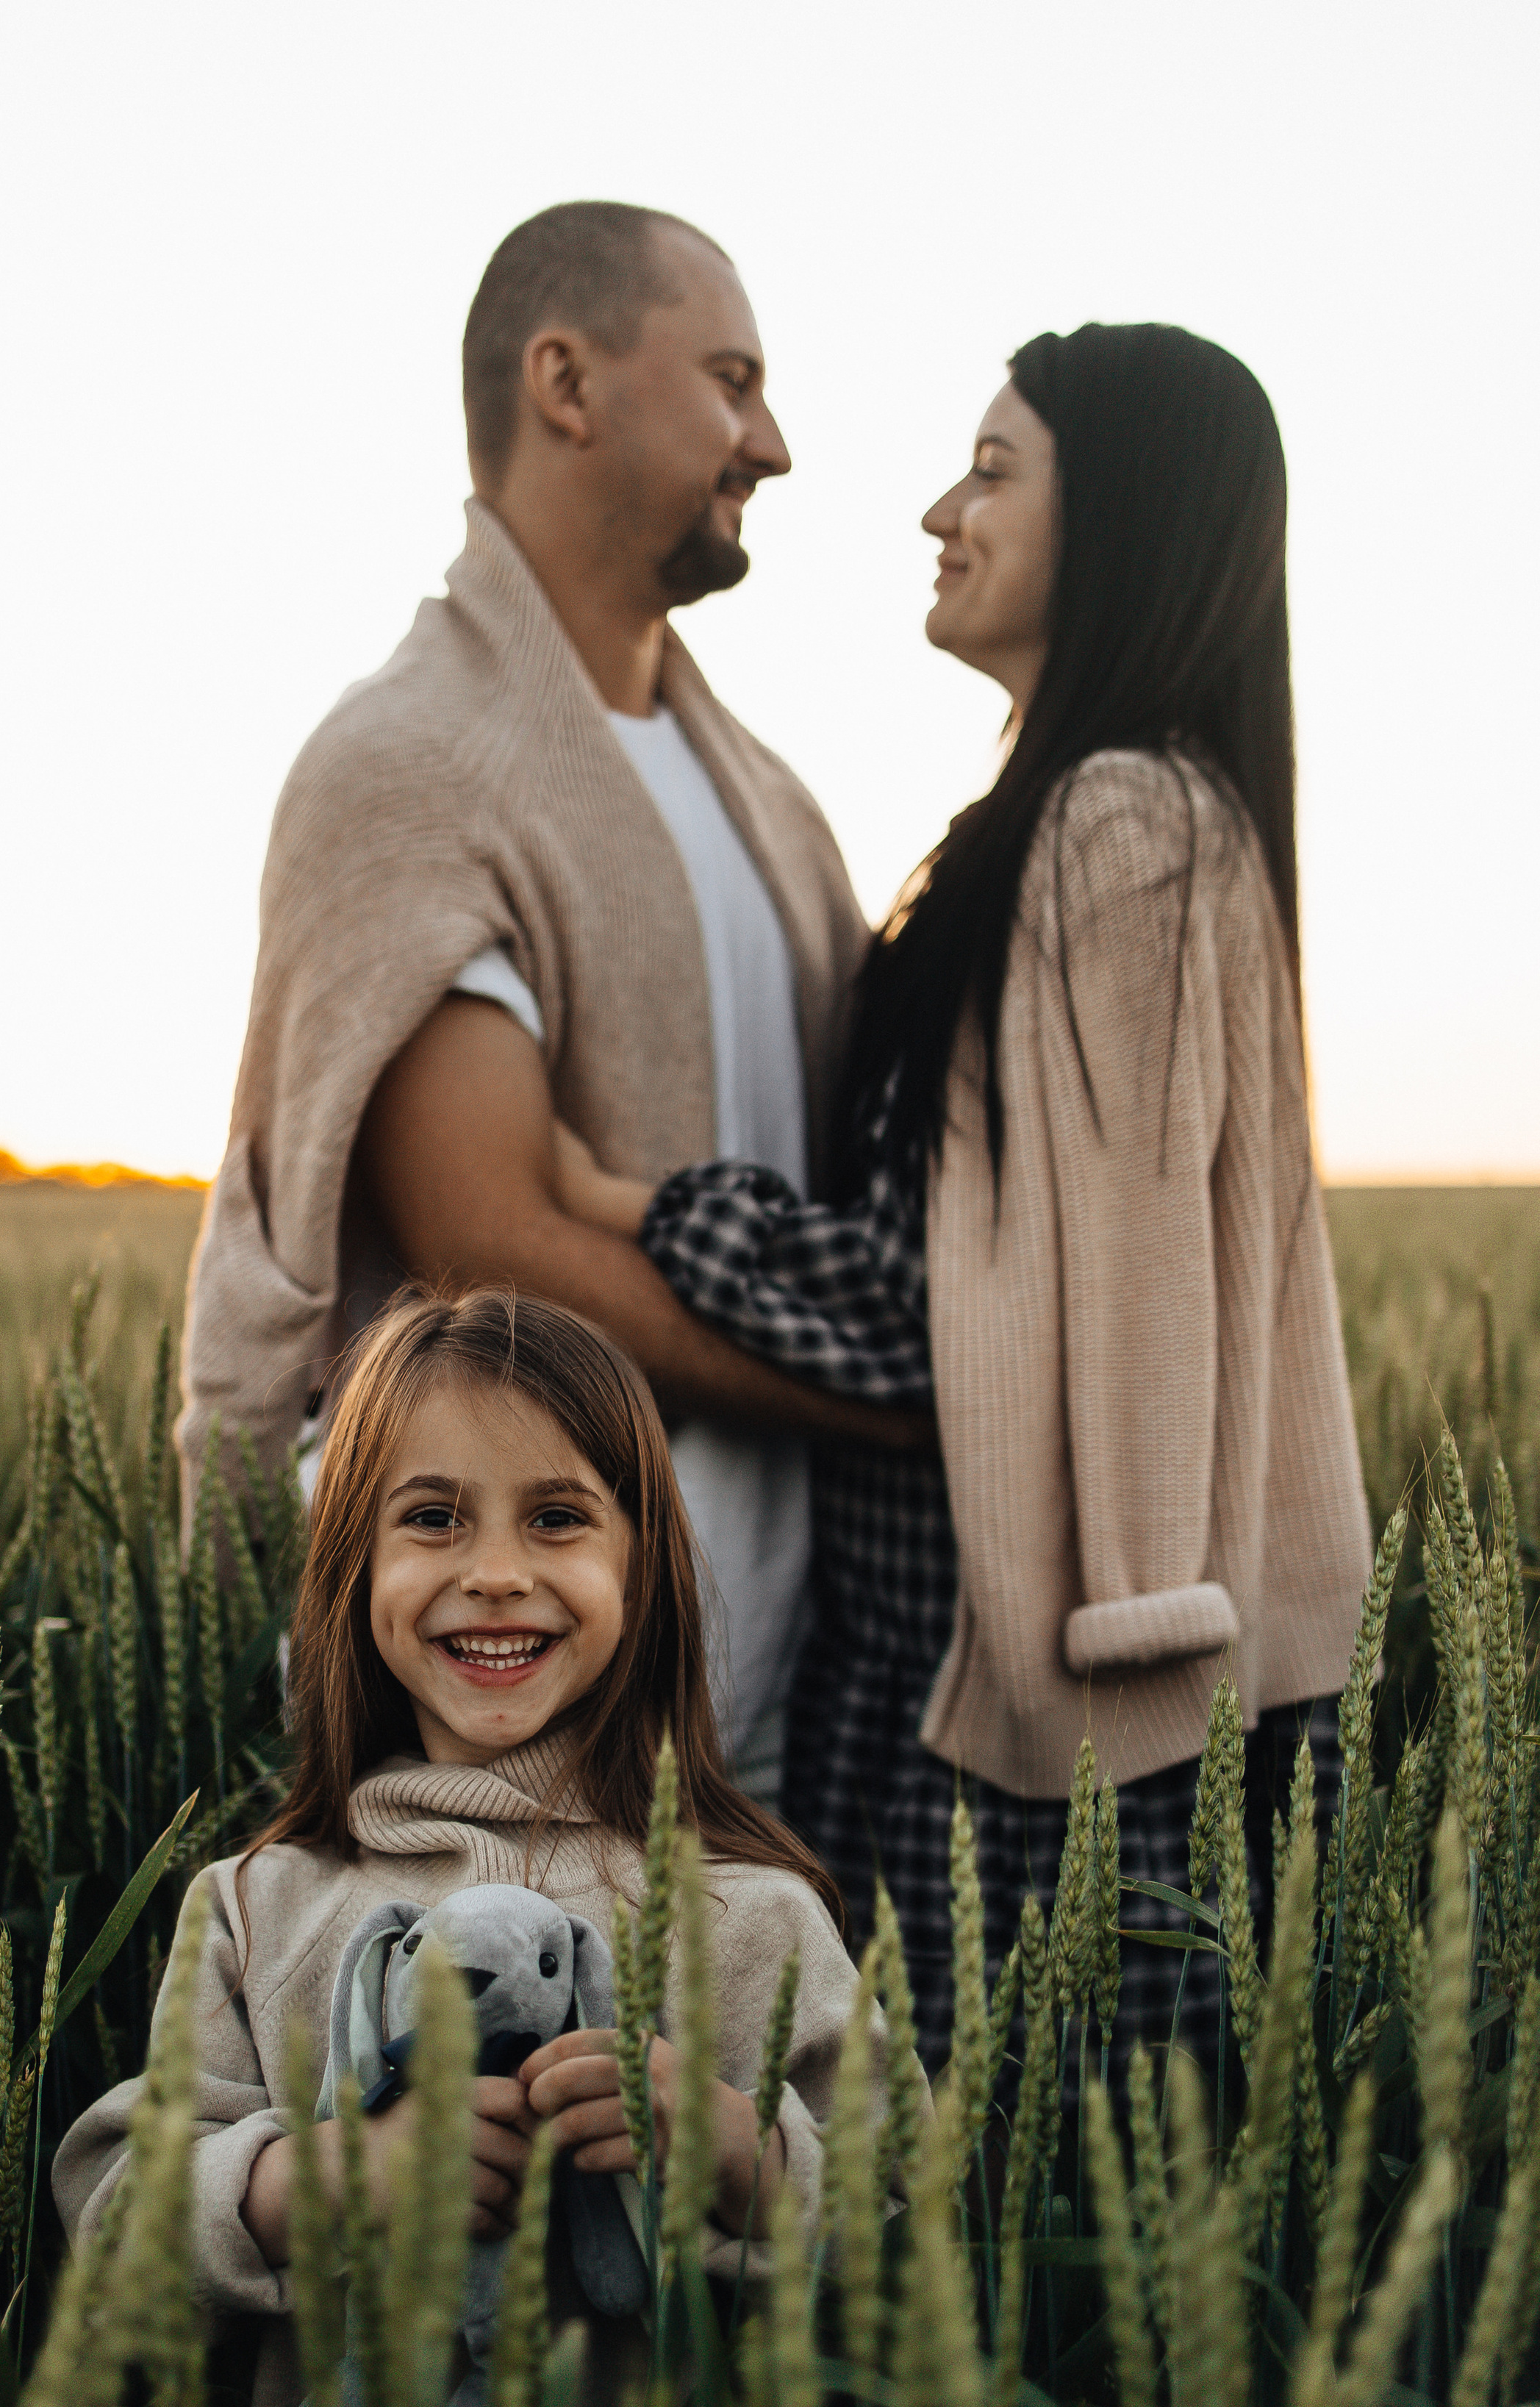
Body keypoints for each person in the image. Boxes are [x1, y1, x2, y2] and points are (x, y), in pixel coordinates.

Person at [552, 323, 1374, 2060]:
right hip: (998, 1676)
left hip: (1029, 1718)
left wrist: (618, 1200)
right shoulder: (1110, 813)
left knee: (980, 2221)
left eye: (994, 471)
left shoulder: (1119, 827)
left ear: (1128, 523)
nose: (941, 509)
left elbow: (968, 1326)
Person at [176, 201, 903, 1781]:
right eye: (729, 378)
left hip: (781, 1654)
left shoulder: (765, 800)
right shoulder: (413, 762)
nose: (768, 443)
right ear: (564, 383)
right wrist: (910, 1407)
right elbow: (491, 1242)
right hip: (501, 1696)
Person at [54, 1288, 888, 2407]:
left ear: (643, 1570)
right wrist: (321, 2183)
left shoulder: (750, 1915)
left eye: (556, 1518)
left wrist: (737, 2150)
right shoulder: (257, 1902)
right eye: (432, 1517)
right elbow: (112, 2218)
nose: (495, 1571)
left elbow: (910, 2222)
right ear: (352, 1571)